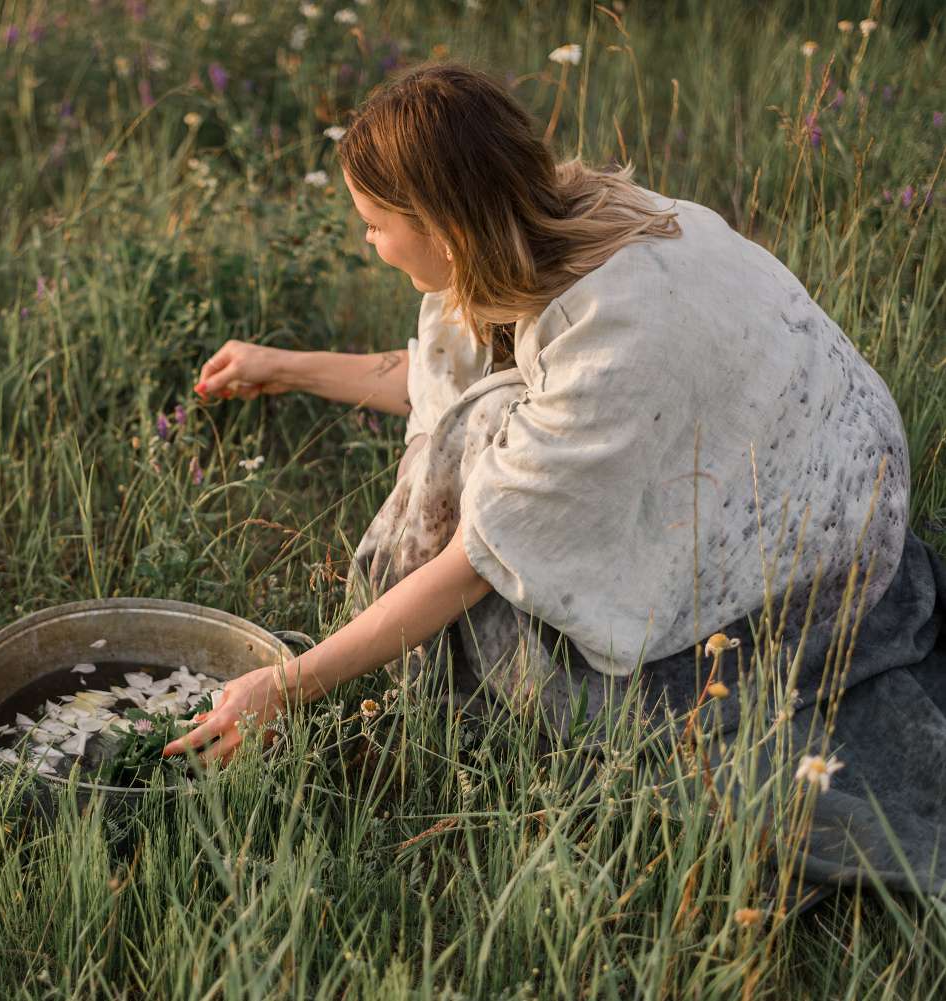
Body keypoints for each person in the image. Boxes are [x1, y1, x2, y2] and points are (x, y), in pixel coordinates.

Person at [161, 62, 946, 906]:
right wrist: (285, 366)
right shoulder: (579, 221)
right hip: (833, 479)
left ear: (448, 228)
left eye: (376, 224)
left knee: (509, 633)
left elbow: (474, 562)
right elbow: (444, 381)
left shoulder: (609, 339)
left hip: (819, 558)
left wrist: (287, 682)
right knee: (487, 424)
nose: (368, 243)